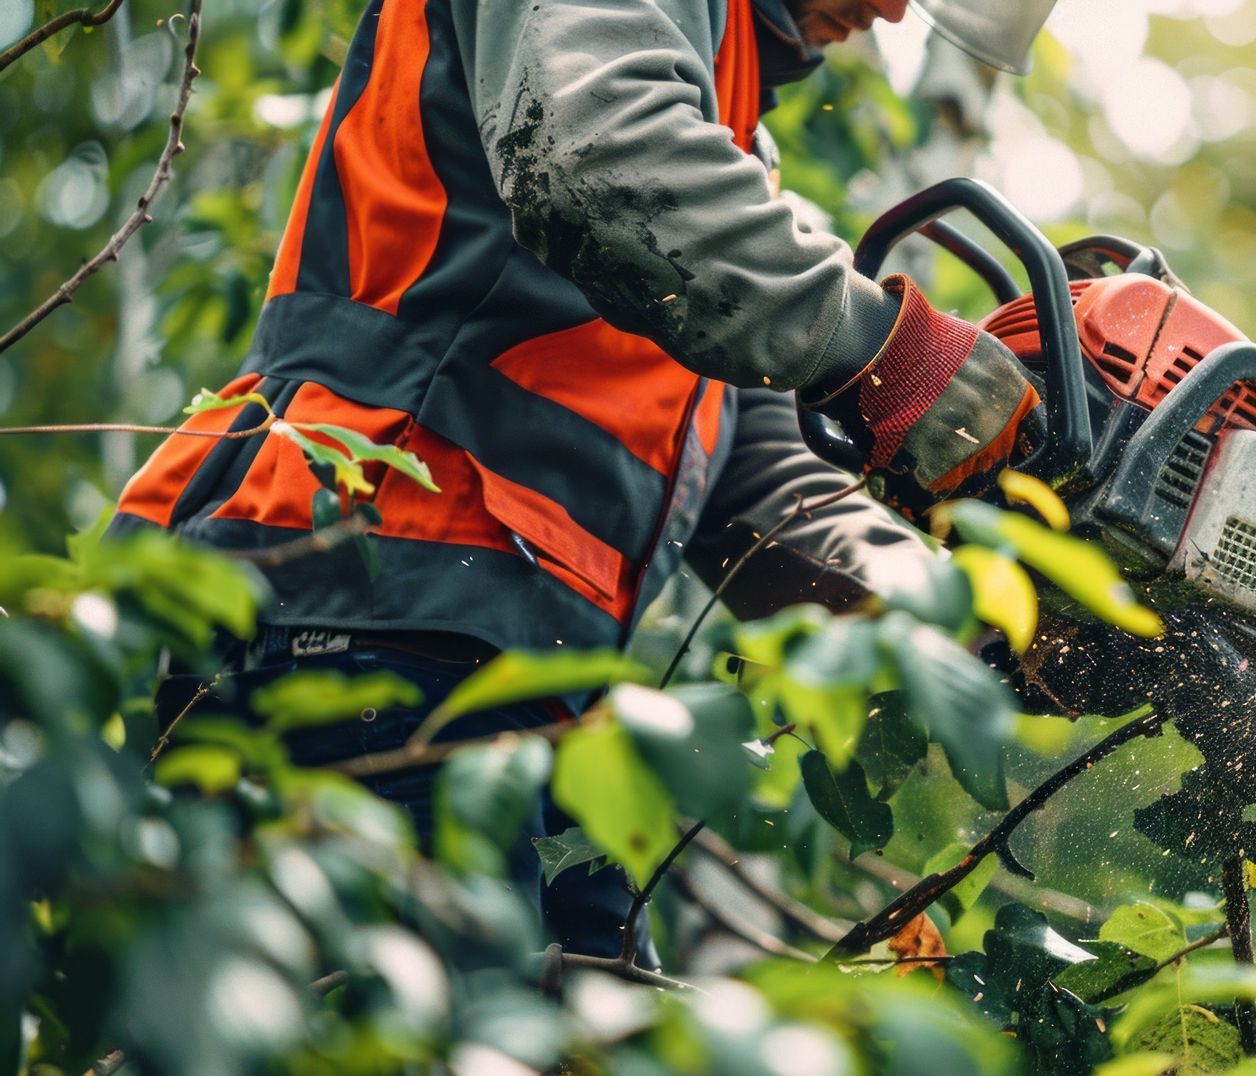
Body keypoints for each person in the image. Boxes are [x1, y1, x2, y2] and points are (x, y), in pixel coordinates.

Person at [118, 0, 1061, 961]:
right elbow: (593, 155)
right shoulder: (642, 127)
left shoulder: (728, 170)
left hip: (537, 693)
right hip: (364, 602)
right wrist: (878, 343)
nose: (895, 9)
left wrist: (1001, 608)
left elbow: (766, 489)